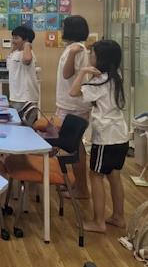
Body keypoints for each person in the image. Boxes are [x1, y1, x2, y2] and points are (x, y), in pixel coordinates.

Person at [69, 40, 129, 233]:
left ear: (101, 59)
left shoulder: (99, 82)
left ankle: (98, 222)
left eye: (93, 54)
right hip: (120, 135)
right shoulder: (116, 76)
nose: (90, 57)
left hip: (106, 138)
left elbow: (73, 92)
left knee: (95, 175)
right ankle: (118, 217)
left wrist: (82, 72)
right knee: (114, 175)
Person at [56, 15, 92, 198]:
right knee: (73, 146)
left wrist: (71, 54)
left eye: (64, 27)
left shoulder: (78, 49)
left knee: (75, 146)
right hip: (68, 104)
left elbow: (67, 73)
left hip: (74, 106)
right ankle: (78, 184)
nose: (62, 30)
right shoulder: (73, 48)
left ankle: (82, 188)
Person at [7, 25, 38, 110]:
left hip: (26, 98)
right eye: (13, 38)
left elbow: (27, 60)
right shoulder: (15, 52)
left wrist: (27, 44)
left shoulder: (28, 53)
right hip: (15, 96)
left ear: (26, 39)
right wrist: (13, 48)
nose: (13, 41)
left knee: (26, 119)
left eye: (16, 38)